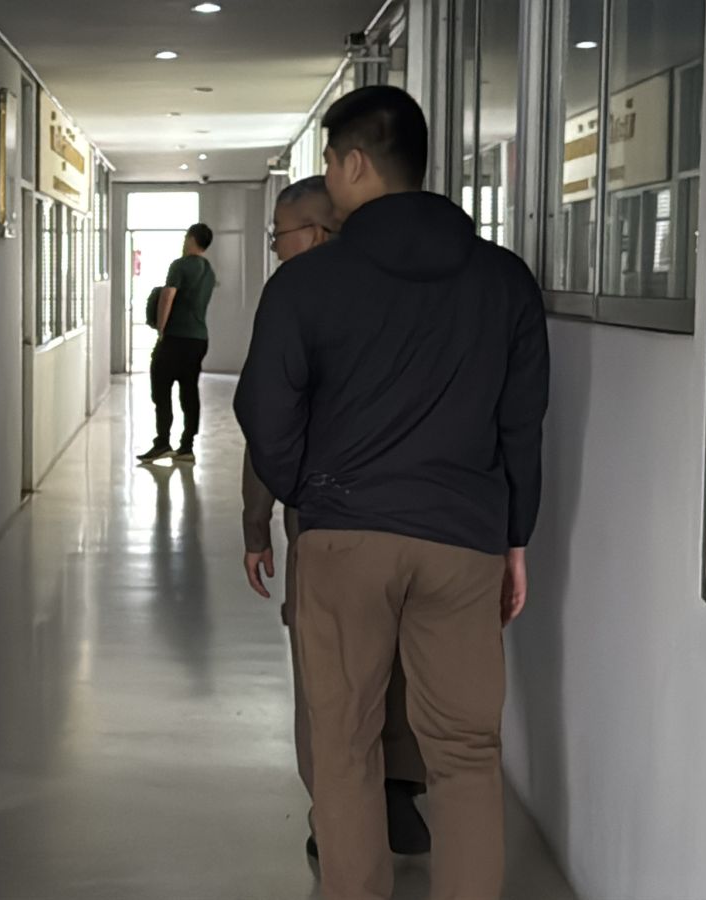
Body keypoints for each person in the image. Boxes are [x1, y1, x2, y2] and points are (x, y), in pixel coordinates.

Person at [234, 86, 549, 900]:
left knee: (344, 746)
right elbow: (522, 423)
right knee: (467, 754)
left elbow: (263, 410)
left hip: (343, 536)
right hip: (465, 541)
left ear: (353, 165)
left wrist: (307, 491)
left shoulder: (307, 284)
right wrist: (514, 537)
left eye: (329, 161)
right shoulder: (505, 280)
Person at [239, 176, 430, 861]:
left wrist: (258, 521)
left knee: (329, 679)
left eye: (279, 236)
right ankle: (398, 786)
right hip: (429, 515)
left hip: (331, 520)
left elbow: (269, 417)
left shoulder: (299, 294)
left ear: (315, 233)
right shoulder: (416, 282)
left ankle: (339, 819)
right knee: (403, 659)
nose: (275, 248)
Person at [138, 223, 217, 464]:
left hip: (176, 338)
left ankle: (162, 442)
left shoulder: (180, 265)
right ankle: (186, 447)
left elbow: (167, 295)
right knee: (189, 391)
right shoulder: (209, 271)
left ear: (192, 239)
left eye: (186, 237)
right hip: (199, 340)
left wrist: (161, 329)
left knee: (161, 389)